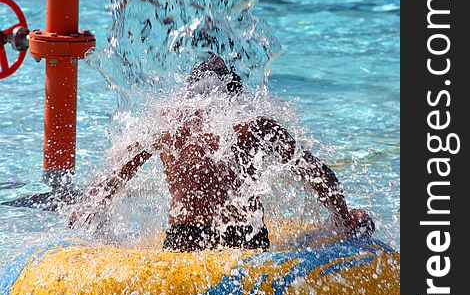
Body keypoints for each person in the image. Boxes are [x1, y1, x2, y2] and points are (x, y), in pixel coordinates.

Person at [70, 54, 374, 250]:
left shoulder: (165, 124)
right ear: (234, 95)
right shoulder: (255, 124)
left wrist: (86, 214)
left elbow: (113, 177)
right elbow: (317, 174)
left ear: (189, 95)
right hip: (244, 236)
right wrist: (344, 217)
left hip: (184, 237)